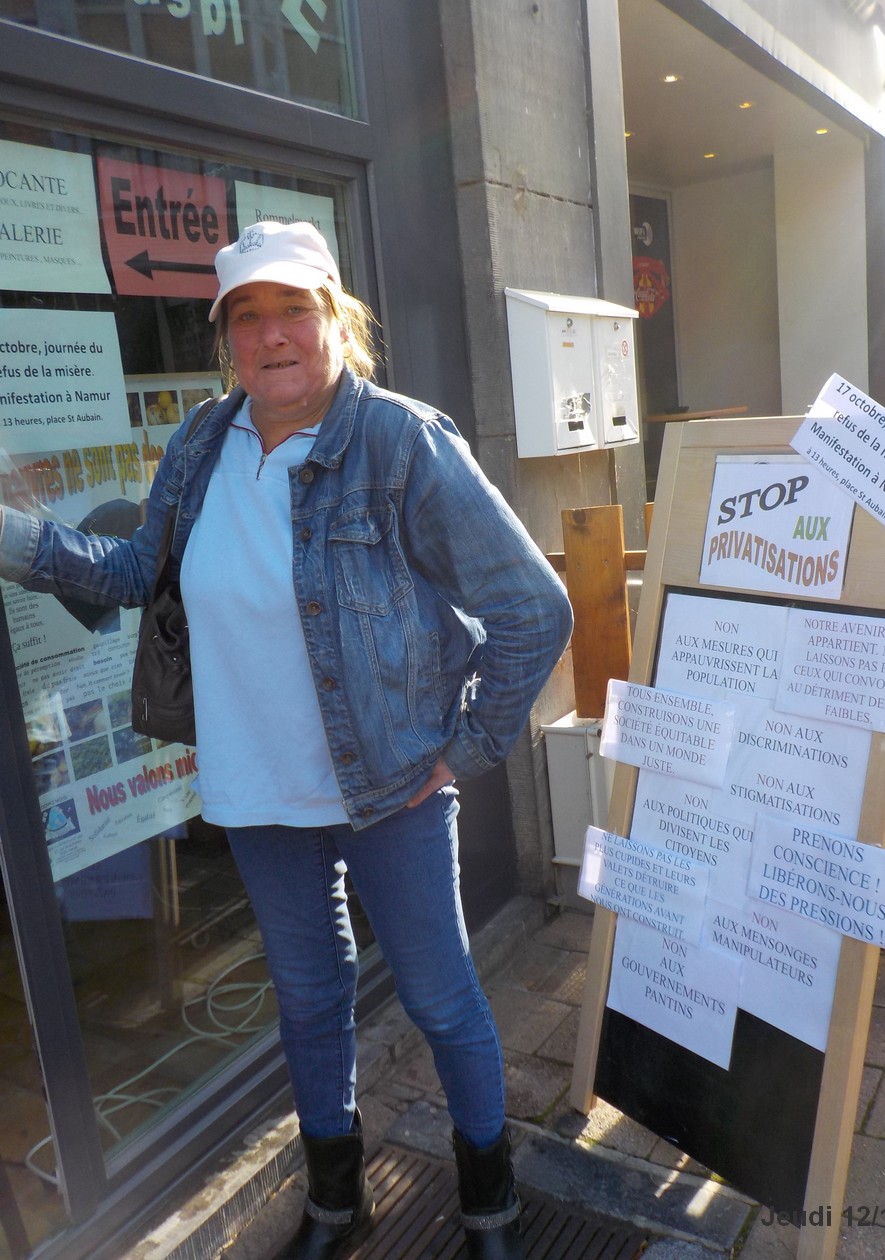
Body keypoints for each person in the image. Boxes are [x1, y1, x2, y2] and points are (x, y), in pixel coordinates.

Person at [0, 221, 573, 1259]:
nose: (271, 337)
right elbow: (135, 574)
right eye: (246, 318)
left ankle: (490, 1204)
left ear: (336, 319)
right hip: (256, 786)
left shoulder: (402, 441)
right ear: (227, 339)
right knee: (309, 1001)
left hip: (390, 788)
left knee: (442, 1001)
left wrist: (468, 747)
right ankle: (332, 1203)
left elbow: (534, 607)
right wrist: (16, 538)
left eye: (292, 311)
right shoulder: (202, 443)